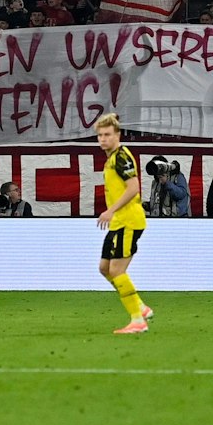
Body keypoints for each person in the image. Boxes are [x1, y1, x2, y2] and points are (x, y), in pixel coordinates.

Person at [94, 112, 153, 335]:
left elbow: (133, 187)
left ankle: (137, 320)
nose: (103, 139)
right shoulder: (111, 158)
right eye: (100, 135)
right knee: (104, 268)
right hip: (119, 222)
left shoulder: (121, 157)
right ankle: (140, 307)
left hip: (128, 220)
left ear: (117, 135)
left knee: (117, 270)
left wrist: (110, 210)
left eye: (107, 134)